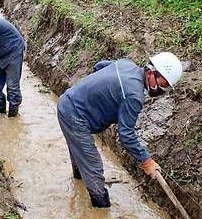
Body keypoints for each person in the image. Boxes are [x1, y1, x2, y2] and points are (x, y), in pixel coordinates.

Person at [56, 52, 183, 207]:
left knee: (81, 154)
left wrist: (98, 95)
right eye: (163, 84)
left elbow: (99, 66)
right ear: (151, 72)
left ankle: (79, 180)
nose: (162, 90)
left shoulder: (126, 64)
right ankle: (100, 207)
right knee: (94, 166)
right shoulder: (134, 96)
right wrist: (146, 161)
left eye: (166, 87)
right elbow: (126, 135)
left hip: (68, 102)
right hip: (74, 116)